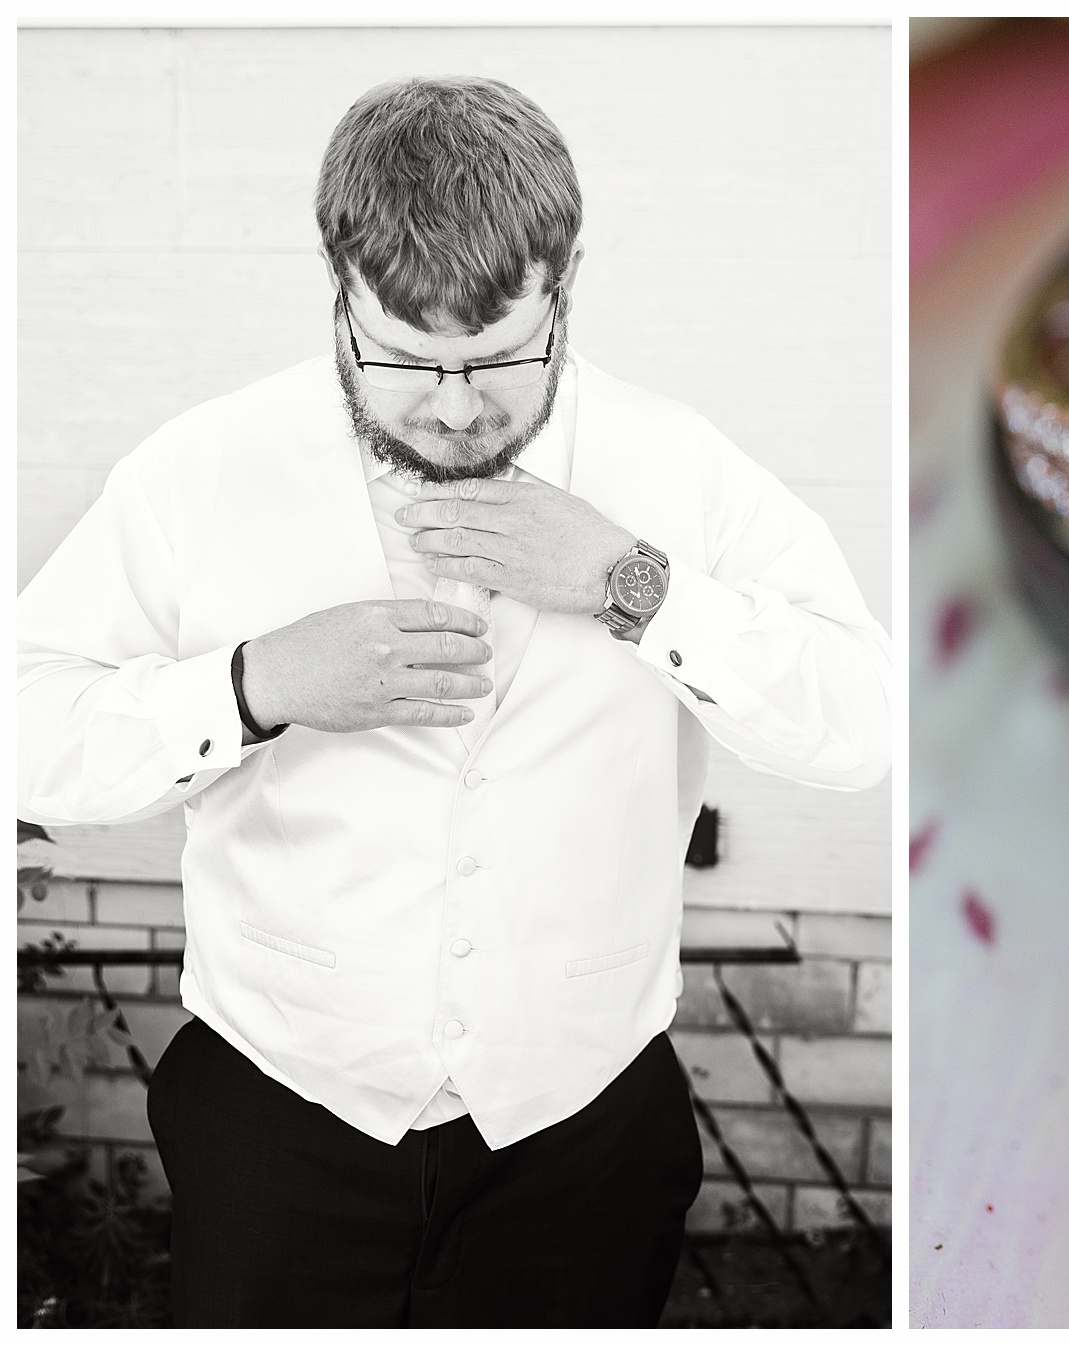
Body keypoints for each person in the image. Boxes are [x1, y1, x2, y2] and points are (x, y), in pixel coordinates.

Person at [16, 75, 890, 1328]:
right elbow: (27, 731)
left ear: (566, 281)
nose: (457, 403)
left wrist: (627, 583)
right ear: (338, 287)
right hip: (279, 1122)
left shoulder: (682, 467)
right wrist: (254, 685)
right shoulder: (196, 470)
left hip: (582, 1137)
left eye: (497, 359)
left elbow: (858, 722)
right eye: (407, 360)